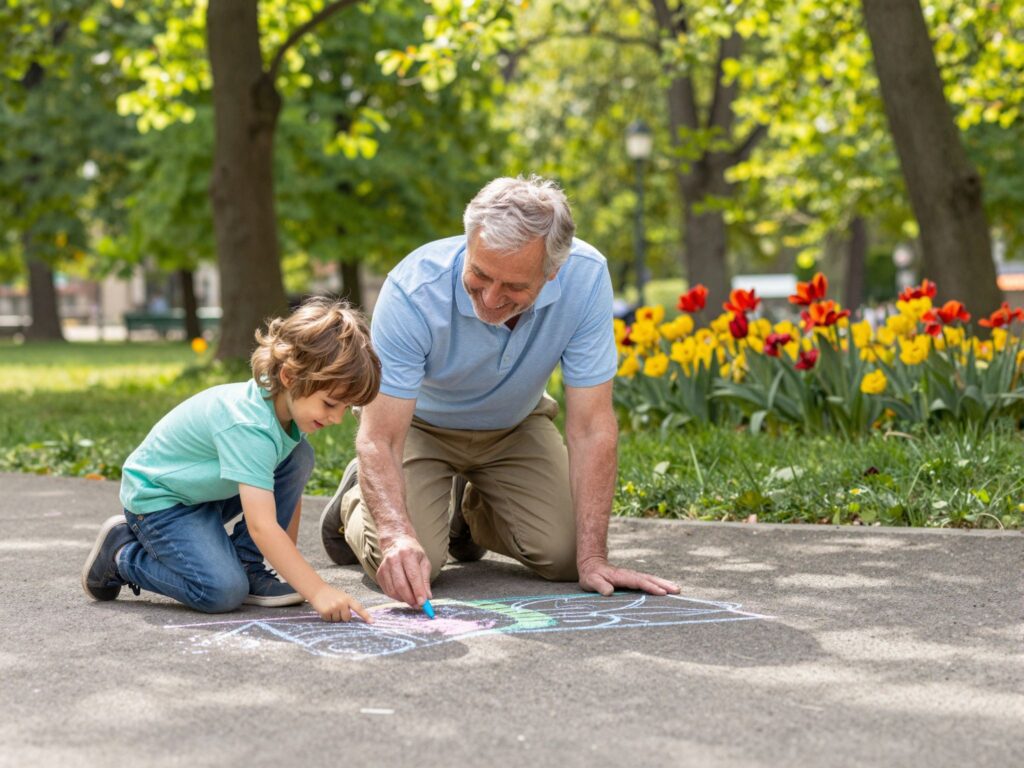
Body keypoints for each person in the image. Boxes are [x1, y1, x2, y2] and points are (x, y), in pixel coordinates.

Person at [319, 175, 680, 610]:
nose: (490, 298)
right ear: (469, 243)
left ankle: (469, 511)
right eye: (480, 274)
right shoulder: (412, 290)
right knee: (414, 565)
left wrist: (593, 557)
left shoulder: (586, 278)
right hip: (418, 427)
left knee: (568, 559)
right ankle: (356, 501)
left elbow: (591, 425)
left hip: (515, 426)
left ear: (553, 271)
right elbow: (381, 437)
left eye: (513, 287)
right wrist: (395, 534)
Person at [81, 298, 380, 623]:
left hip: (205, 493)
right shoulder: (249, 426)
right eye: (330, 404)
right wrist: (317, 590)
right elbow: (262, 525)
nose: (336, 418)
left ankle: (248, 566)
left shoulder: (285, 411)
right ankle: (122, 554)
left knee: (298, 456)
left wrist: (284, 570)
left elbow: (285, 498)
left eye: (344, 407)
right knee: (221, 591)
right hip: (159, 503)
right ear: (291, 377)